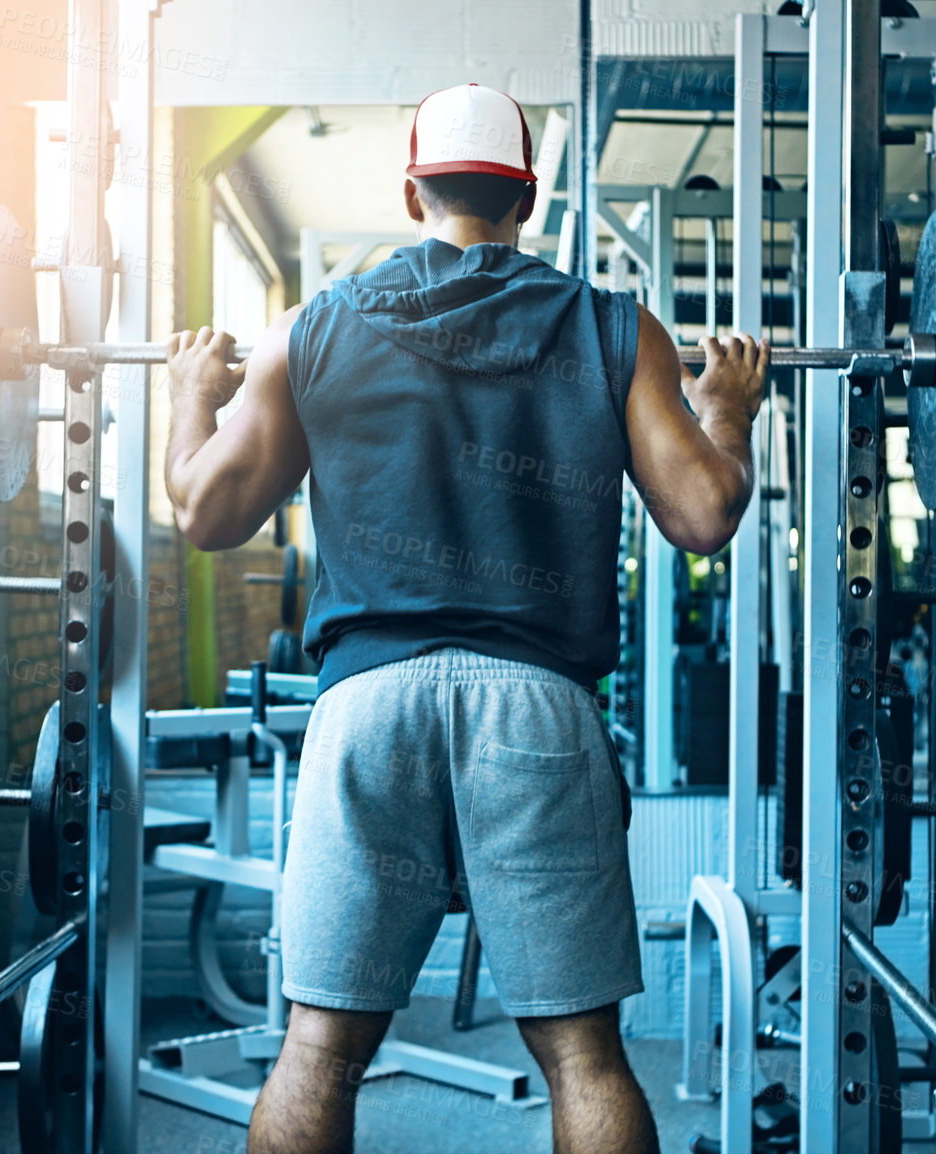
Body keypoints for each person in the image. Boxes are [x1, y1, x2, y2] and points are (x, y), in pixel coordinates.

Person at [163, 82, 769, 1154]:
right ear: (526, 199)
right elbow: (706, 511)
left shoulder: (311, 328)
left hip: (366, 708)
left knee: (317, 1049)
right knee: (584, 1053)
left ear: (411, 192)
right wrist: (725, 408)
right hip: (535, 712)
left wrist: (188, 393)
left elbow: (203, 510)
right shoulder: (613, 328)